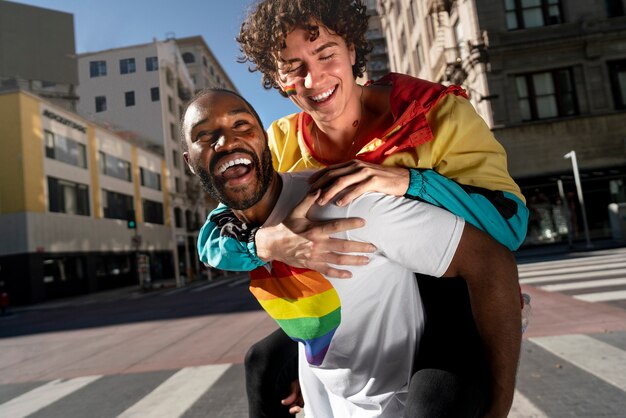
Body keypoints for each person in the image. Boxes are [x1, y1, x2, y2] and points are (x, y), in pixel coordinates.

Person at [198, 0, 529, 416]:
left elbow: (509, 226)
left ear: (353, 49)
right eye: (293, 66)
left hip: (444, 293)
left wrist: (409, 182)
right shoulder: (280, 141)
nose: (314, 78)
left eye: (326, 54)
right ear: (278, 78)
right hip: (357, 305)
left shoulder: (436, 114)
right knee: (262, 364)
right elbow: (214, 236)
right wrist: (265, 242)